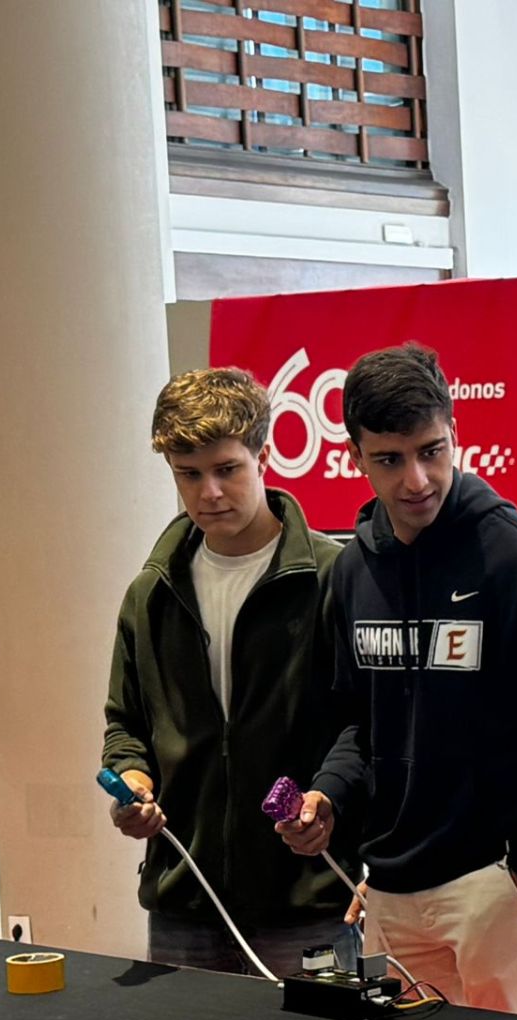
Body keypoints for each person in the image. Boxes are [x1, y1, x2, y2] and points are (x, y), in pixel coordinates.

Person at [278, 343, 517, 1018]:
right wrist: (329, 798)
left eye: (432, 451)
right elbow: (357, 723)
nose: (417, 480)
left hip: (498, 886)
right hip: (392, 887)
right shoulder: (352, 574)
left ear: (457, 436)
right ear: (355, 456)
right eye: (390, 460)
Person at [103, 367, 354, 972]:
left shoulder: (333, 578)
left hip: (306, 894)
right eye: (188, 476)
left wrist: (331, 801)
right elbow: (125, 726)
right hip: (183, 896)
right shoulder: (151, 593)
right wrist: (132, 785)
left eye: (227, 470)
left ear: (264, 455)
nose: (209, 492)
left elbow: (364, 725)